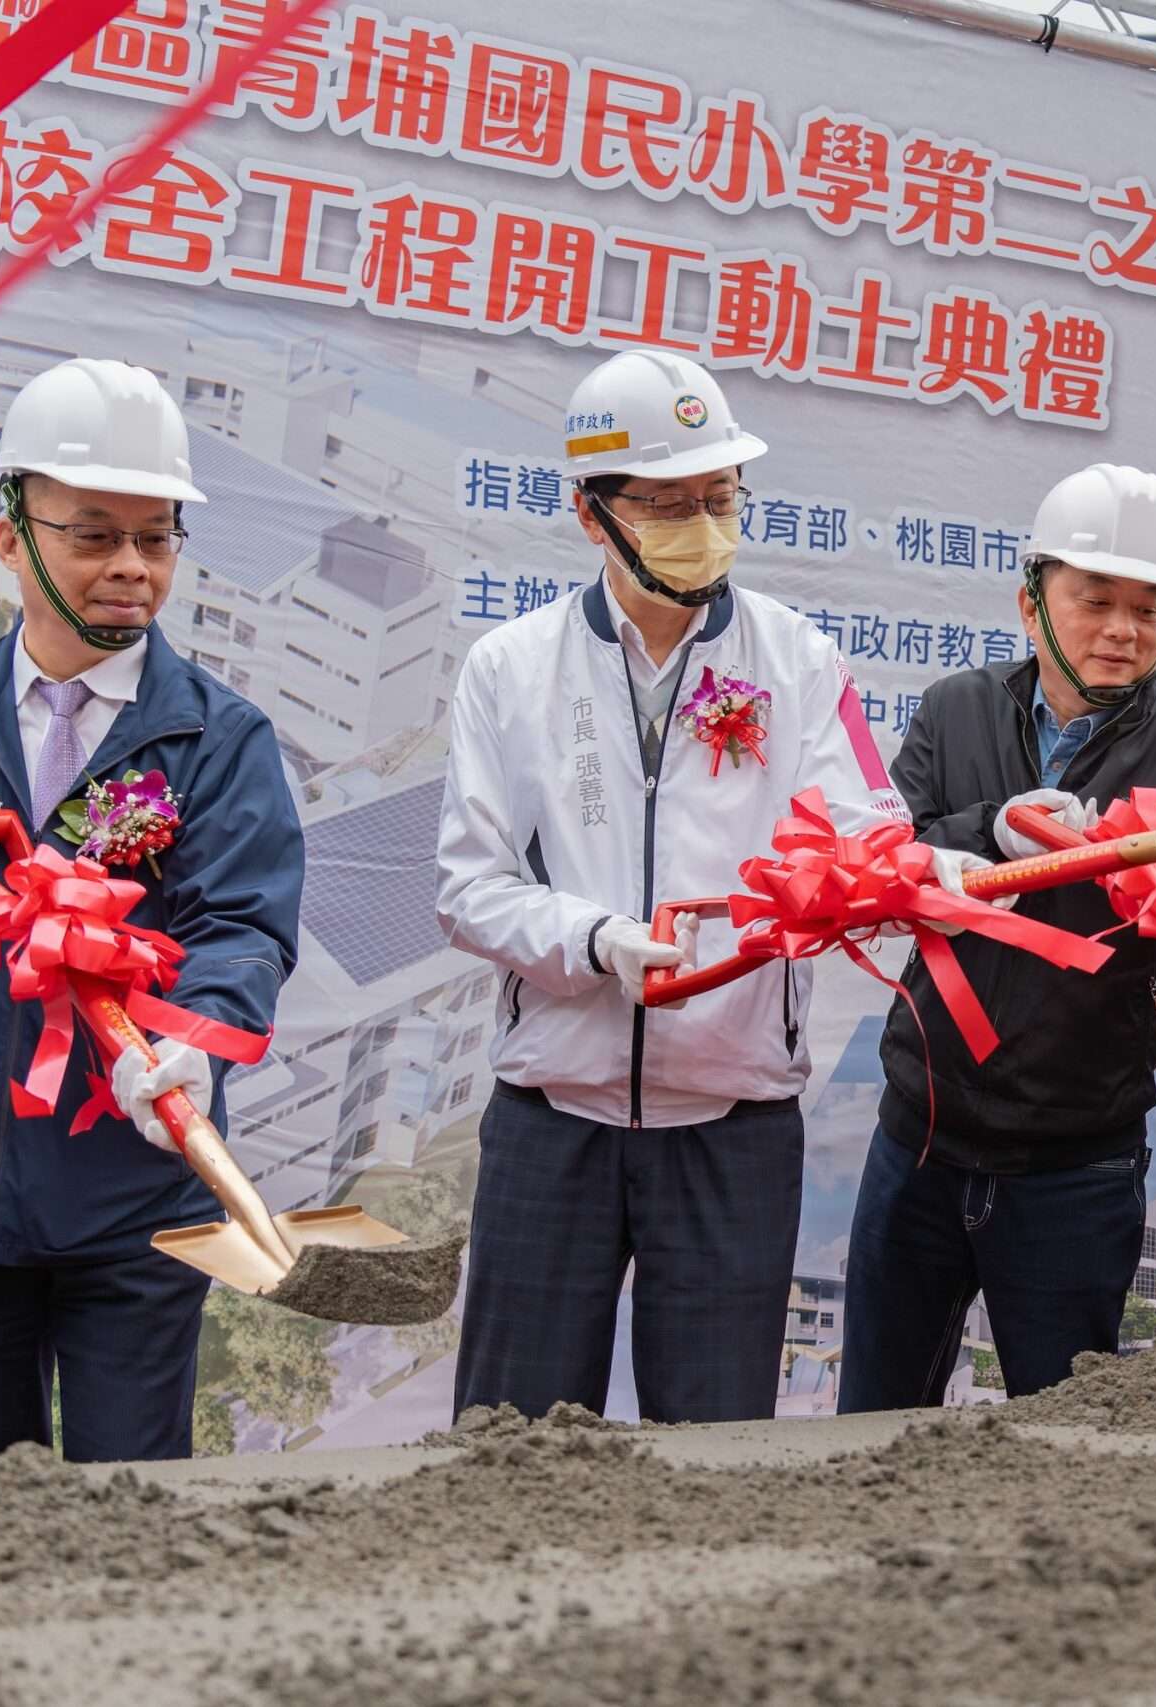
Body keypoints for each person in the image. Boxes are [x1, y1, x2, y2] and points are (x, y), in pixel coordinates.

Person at [0, 358, 304, 1461]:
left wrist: (193, 1052)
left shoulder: (217, 739)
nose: (132, 568)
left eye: (157, 536)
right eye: (95, 535)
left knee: (133, 1519)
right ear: (12, 541)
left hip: (134, 1199)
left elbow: (242, 930)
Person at [437, 350, 912, 1426]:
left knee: (715, 1448)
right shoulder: (510, 670)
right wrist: (596, 939)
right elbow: (470, 888)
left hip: (733, 1117)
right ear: (589, 513)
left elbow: (865, 840)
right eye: (665, 504)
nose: (701, 522)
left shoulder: (799, 661)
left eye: (718, 497)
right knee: (508, 1441)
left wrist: (894, 876)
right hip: (551, 1112)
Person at [837, 463, 1156, 1408]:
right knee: (871, 1419)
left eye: (1149, 608)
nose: (1121, 630)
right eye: (1094, 599)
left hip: (1078, 1162)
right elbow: (880, 865)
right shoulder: (954, 710)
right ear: (1031, 603)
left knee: (1062, 1436)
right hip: (921, 1140)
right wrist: (991, 834)